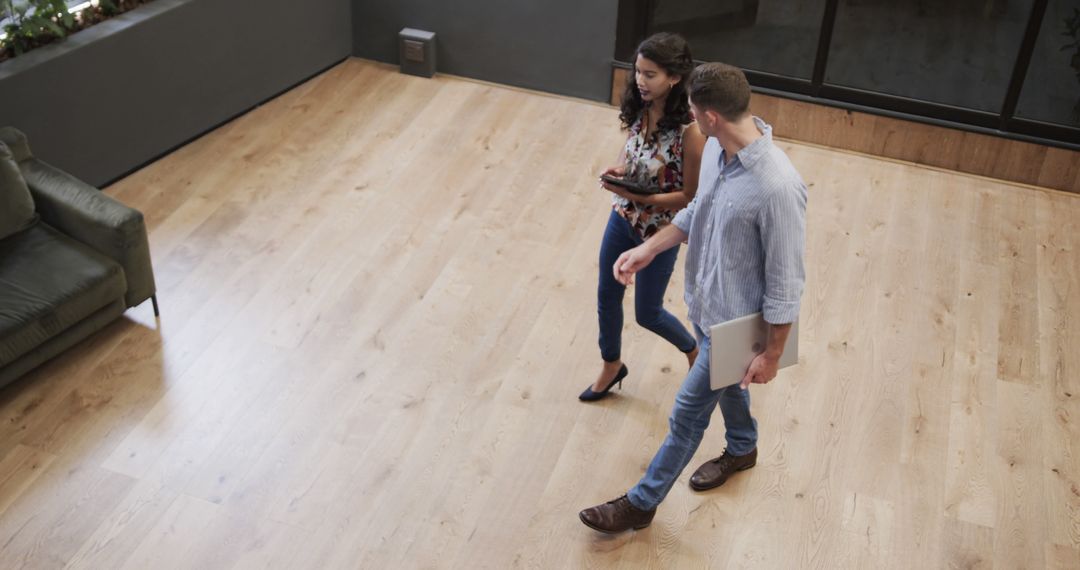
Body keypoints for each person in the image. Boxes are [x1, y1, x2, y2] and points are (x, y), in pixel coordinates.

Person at [578, 62, 807, 532]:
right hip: (706, 304)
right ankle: (743, 447)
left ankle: (641, 504)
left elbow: (787, 283)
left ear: (709, 117)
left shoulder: (777, 186)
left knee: (687, 412)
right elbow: (700, 210)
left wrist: (772, 353)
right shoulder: (723, 154)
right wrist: (647, 248)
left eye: (694, 113)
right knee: (726, 386)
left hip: (741, 327)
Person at [581, 33, 706, 402]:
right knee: (607, 295)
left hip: (659, 234)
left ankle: (692, 350)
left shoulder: (692, 132)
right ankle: (611, 364)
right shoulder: (640, 105)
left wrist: (643, 196)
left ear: (674, 78)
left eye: (650, 74)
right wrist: (621, 169)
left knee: (648, 314)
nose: (640, 80)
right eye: (638, 71)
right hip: (623, 218)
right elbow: (634, 146)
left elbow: (689, 197)